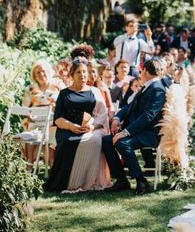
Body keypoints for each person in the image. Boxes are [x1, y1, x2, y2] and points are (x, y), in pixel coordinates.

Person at [44, 57, 111, 192]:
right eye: (79, 72)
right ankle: (70, 182)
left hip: (92, 128)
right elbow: (58, 119)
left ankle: (89, 181)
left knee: (95, 140)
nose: (83, 75)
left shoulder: (95, 91)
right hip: (68, 128)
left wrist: (92, 126)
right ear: (72, 75)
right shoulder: (64, 94)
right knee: (68, 142)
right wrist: (71, 126)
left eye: (85, 72)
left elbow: (103, 114)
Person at [102, 58, 167, 194]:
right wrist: (117, 118)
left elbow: (148, 116)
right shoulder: (147, 86)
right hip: (137, 130)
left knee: (122, 143)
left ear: (145, 71)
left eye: (141, 70)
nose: (139, 73)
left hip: (150, 133)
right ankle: (121, 180)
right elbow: (130, 106)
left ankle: (140, 180)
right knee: (106, 141)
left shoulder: (158, 89)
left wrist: (125, 132)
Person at [21, 60, 60, 167]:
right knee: (30, 133)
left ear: (48, 71)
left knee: (53, 135)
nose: (42, 74)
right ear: (34, 75)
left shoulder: (57, 86)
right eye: (38, 72)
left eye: (43, 71)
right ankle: (29, 167)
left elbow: (64, 104)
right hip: (34, 121)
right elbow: (24, 108)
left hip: (53, 123)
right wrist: (30, 116)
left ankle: (52, 167)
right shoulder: (30, 89)